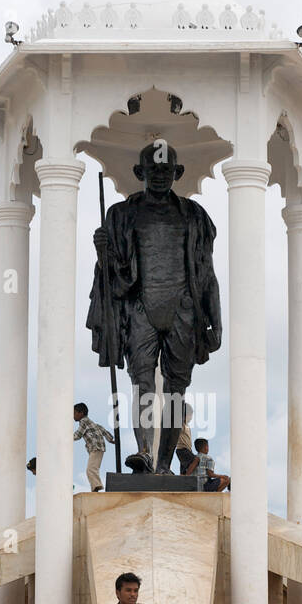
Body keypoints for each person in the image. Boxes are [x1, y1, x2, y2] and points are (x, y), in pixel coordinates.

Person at [87, 141, 222, 474]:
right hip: (140, 307)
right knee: (142, 384)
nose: (160, 176)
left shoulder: (195, 217)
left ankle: (163, 466)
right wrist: (102, 253)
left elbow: (207, 274)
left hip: (184, 310)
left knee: (176, 392)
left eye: (166, 170)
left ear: (177, 173)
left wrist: (215, 322)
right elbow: (113, 275)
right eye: (153, 170)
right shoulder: (120, 215)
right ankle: (144, 453)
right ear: (139, 173)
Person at [73, 402, 114, 492]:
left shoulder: (83, 421)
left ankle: (96, 486)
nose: (73, 416)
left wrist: (67, 438)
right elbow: (101, 428)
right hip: (98, 447)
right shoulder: (90, 422)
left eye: (74, 413)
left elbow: (78, 435)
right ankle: (95, 487)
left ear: (81, 413)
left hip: (95, 447)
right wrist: (110, 439)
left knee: (90, 469)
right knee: (93, 468)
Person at [175, 403, 195, 474]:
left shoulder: (187, 426)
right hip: (182, 449)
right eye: (190, 415)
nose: (191, 418)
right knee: (195, 460)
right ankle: (186, 476)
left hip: (188, 449)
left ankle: (183, 477)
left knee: (184, 468)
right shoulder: (181, 424)